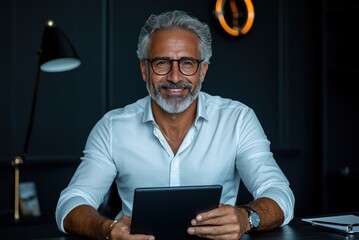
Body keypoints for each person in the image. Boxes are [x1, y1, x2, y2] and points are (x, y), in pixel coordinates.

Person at [55, 10, 295, 240]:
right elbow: (71, 203)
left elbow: (279, 193)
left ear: (203, 71)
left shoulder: (238, 120)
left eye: (187, 63)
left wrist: (246, 218)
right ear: (144, 69)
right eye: (162, 63)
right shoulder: (112, 128)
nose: (175, 77)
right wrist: (107, 229)